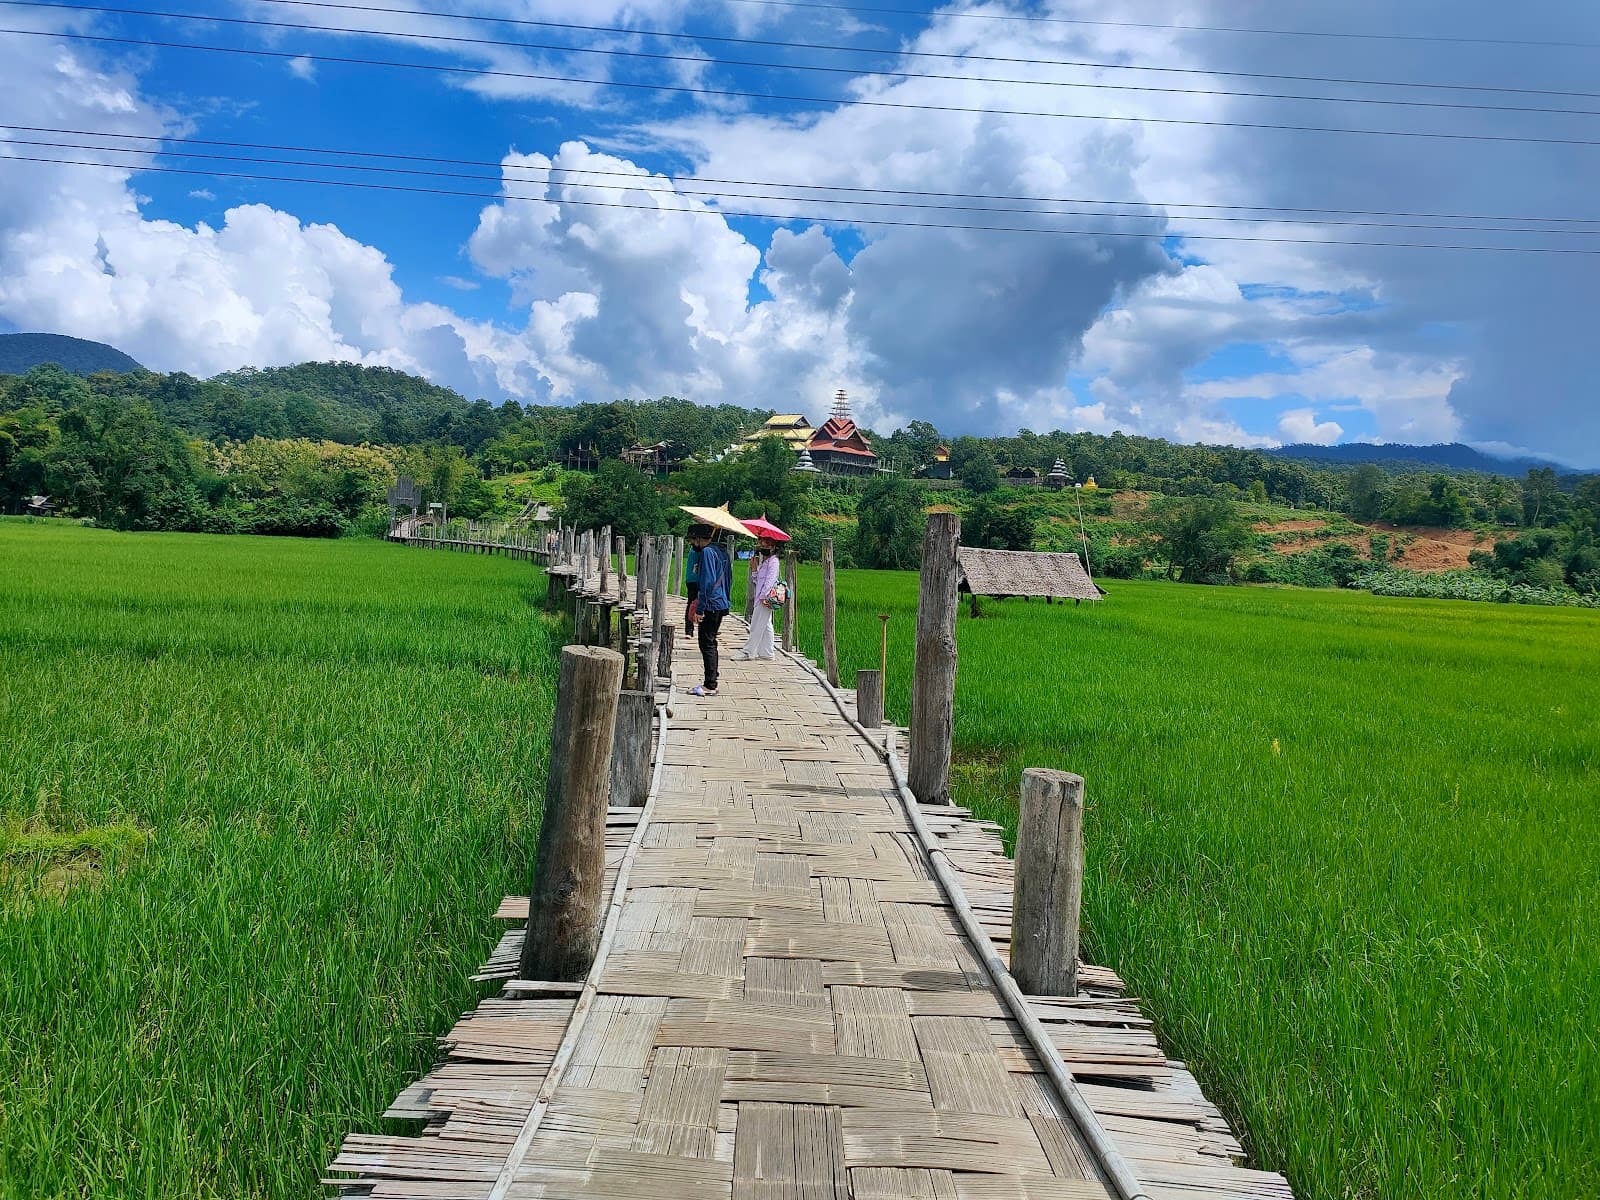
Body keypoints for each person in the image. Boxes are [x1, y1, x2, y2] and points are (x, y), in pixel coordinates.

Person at [685, 524, 731, 696]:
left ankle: (710, 684)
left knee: (706, 644)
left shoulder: (706, 553)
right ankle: (711, 679)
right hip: (720, 603)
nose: (692, 543)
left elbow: (707, 583)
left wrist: (700, 609)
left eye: (692, 540)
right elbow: (728, 579)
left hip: (710, 604)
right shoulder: (721, 551)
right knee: (711, 642)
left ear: (698, 539)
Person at [735, 538, 781, 660]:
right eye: (761, 544)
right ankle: (767, 653)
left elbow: (770, 581)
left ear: (773, 546)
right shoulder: (764, 562)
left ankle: (748, 651)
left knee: (756, 624)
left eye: (766, 545)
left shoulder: (773, 562)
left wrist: (764, 597)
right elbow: (758, 581)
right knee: (766, 625)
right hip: (760, 597)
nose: (763, 547)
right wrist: (754, 569)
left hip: (764, 599)